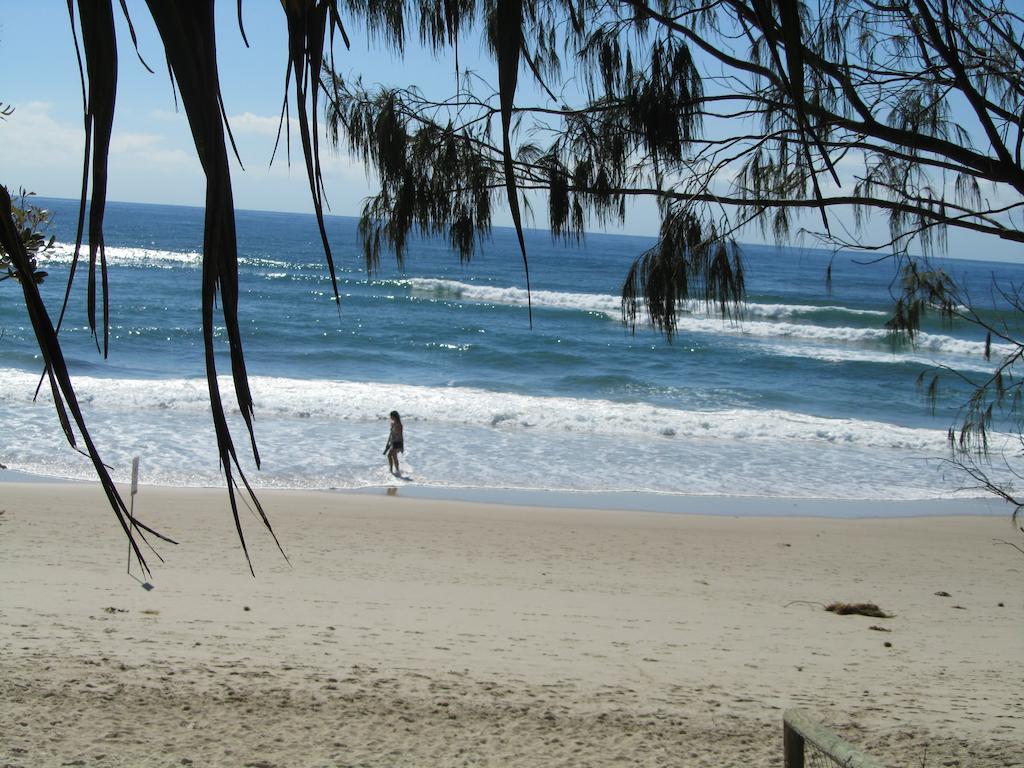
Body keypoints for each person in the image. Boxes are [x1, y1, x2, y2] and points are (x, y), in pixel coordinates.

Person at [384, 410, 404, 476]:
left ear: (394, 416)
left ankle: (392, 470)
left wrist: (402, 446)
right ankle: (397, 471)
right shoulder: (392, 424)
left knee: (389, 455)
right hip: (393, 442)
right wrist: (388, 443)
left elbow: (401, 435)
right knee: (394, 457)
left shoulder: (399, 425)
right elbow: (390, 435)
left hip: (397, 442)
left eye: (391, 416)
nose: (390, 417)